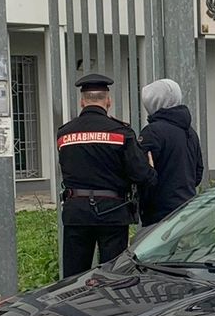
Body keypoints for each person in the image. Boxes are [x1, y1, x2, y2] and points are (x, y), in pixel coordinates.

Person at [56, 73, 157, 278]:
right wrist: (150, 169)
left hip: (76, 211)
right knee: (113, 275)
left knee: (73, 277)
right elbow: (141, 175)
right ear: (108, 101)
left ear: (82, 101)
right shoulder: (121, 133)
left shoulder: (64, 134)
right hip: (113, 212)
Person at [137, 79, 205, 227]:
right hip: (186, 208)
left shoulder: (153, 132)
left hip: (159, 213)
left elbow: (140, 171)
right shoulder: (190, 131)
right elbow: (198, 172)